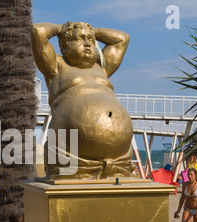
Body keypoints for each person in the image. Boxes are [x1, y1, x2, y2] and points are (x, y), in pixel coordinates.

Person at [32, 22, 134, 180]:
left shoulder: (102, 68)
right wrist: (61, 30)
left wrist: (92, 31)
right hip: (71, 151)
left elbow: (122, 39)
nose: (87, 44)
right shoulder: (57, 67)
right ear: (64, 47)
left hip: (119, 155)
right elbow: (38, 31)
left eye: (90, 41)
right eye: (79, 39)